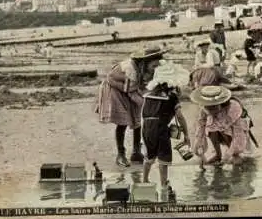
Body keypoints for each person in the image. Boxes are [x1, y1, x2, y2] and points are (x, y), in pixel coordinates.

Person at [95, 45, 167, 167]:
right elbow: (132, 93)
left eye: (157, 66)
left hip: (129, 88)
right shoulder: (130, 69)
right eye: (153, 66)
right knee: (123, 121)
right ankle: (121, 154)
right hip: (115, 88)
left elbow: (145, 87)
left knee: (137, 118)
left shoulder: (147, 69)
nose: (155, 69)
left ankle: (136, 152)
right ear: (145, 62)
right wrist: (150, 107)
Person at [141, 60, 190, 189]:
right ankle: (164, 184)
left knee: (149, 154)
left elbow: (146, 113)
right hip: (160, 128)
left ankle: (144, 180)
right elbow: (179, 116)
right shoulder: (171, 96)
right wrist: (186, 135)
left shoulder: (149, 95)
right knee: (163, 155)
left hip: (146, 127)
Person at [191, 86, 251, 166]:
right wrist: (199, 148)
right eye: (208, 107)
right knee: (211, 129)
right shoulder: (204, 108)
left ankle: (235, 155)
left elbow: (238, 135)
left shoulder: (233, 108)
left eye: (213, 107)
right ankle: (218, 154)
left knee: (236, 159)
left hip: (231, 129)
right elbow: (200, 127)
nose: (210, 109)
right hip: (217, 125)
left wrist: (228, 155)